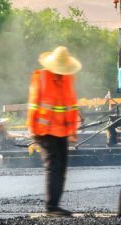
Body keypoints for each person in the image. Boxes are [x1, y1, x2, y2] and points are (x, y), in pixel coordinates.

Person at [28, 46, 81, 215]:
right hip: (44, 130)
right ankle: (51, 207)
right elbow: (33, 104)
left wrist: (72, 130)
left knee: (62, 168)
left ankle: (55, 206)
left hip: (62, 131)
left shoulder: (67, 79)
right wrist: (32, 128)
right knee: (54, 166)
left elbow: (71, 106)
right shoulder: (41, 78)